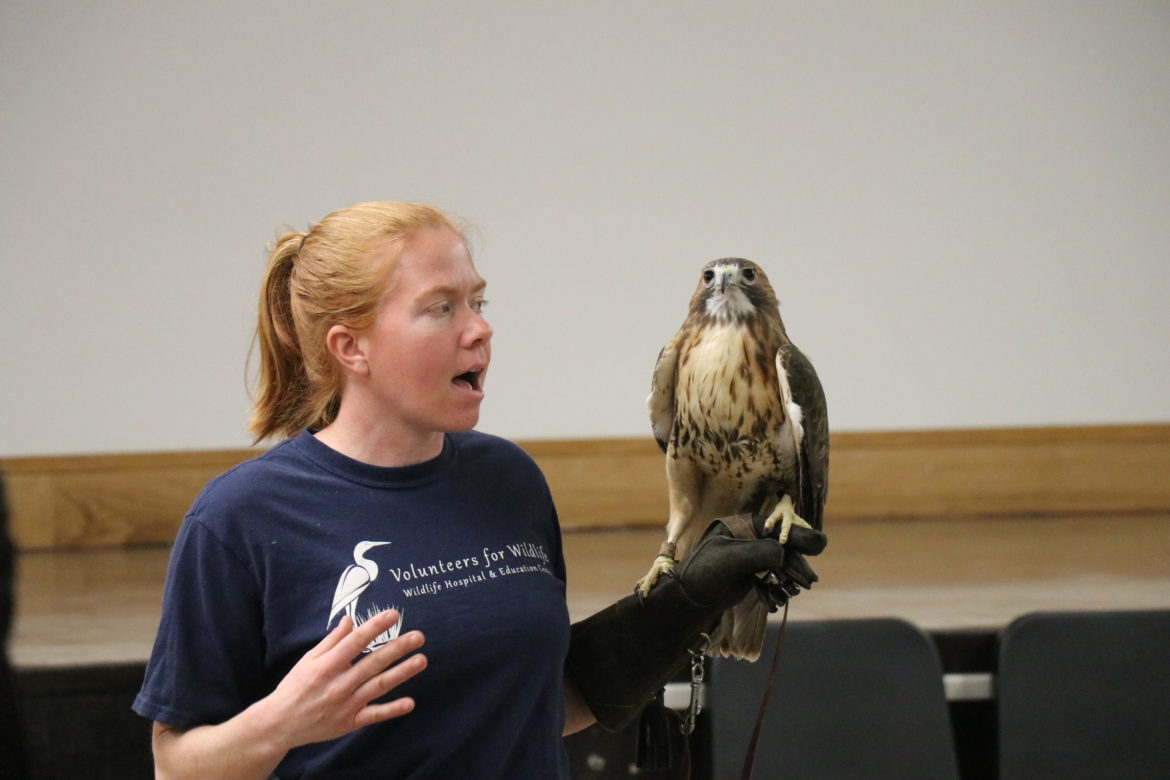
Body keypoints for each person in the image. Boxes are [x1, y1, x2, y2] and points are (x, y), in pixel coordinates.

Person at [132, 202, 823, 779]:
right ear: (351, 348)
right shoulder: (240, 519)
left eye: (478, 300)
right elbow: (175, 766)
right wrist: (282, 724)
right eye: (441, 308)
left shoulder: (508, 481)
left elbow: (535, 705)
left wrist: (679, 609)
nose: (480, 328)